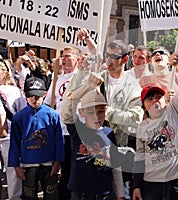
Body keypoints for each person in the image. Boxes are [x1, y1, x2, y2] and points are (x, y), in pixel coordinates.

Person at [61, 38, 144, 200]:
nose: (109, 60)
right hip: (89, 155)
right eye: (107, 55)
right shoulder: (96, 78)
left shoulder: (133, 86)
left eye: (115, 57)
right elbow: (68, 109)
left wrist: (107, 112)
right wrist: (81, 75)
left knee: (120, 193)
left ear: (126, 59)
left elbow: (136, 118)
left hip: (117, 155)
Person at [132, 52, 178, 200]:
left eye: (158, 97)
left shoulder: (175, 110)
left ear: (165, 100)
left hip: (177, 182)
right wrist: (136, 186)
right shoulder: (141, 127)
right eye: (149, 98)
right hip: (151, 184)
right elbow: (139, 158)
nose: (154, 100)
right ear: (144, 106)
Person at [61, 86, 132, 200]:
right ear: (81, 112)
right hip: (81, 194)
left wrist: (120, 195)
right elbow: (66, 111)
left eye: (100, 112)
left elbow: (116, 167)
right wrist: (87, 86)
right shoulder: (77, 130)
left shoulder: (109, 134)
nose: (96, 117)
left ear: (106, 111)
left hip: (103, 193)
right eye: (90, 112)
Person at [8, 77, 64, 200]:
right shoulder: (19, 117)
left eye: (38, 96)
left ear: (44, 94)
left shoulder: (53, 115)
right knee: (29, 195)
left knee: (51, 194)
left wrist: (57, 161)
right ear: (24, 95)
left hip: (48, 164)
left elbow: (59, 140)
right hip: (28, 164)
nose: (34, 99)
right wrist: (15, 165)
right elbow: (14, 143)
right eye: (31, 96)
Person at [44, 46, 82, 200]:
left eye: (68, 56)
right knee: (64, 170)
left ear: (78, 59)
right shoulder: (56, 79)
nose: (63, 59)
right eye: (62, 56)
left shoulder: (81, 77)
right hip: (61, 132)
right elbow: (48, 104)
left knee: (76, 170)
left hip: (77, 131)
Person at [0, 58, 27, 200]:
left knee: (12, 171)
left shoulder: (14, 91)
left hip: (8, 136)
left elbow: (22, 113)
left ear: (5, 73)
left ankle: (15, 197)